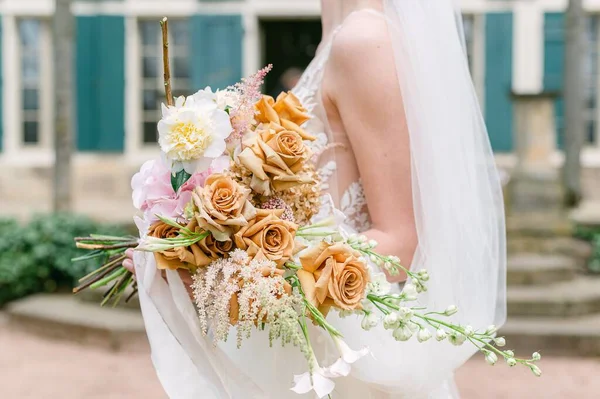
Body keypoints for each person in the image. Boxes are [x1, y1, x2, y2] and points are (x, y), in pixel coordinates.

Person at [125, 0, 506, 397]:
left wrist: (220, 274)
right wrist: (190, 246)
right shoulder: (337, 39)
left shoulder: (364, 41)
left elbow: (403, 246)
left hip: (350, 367)